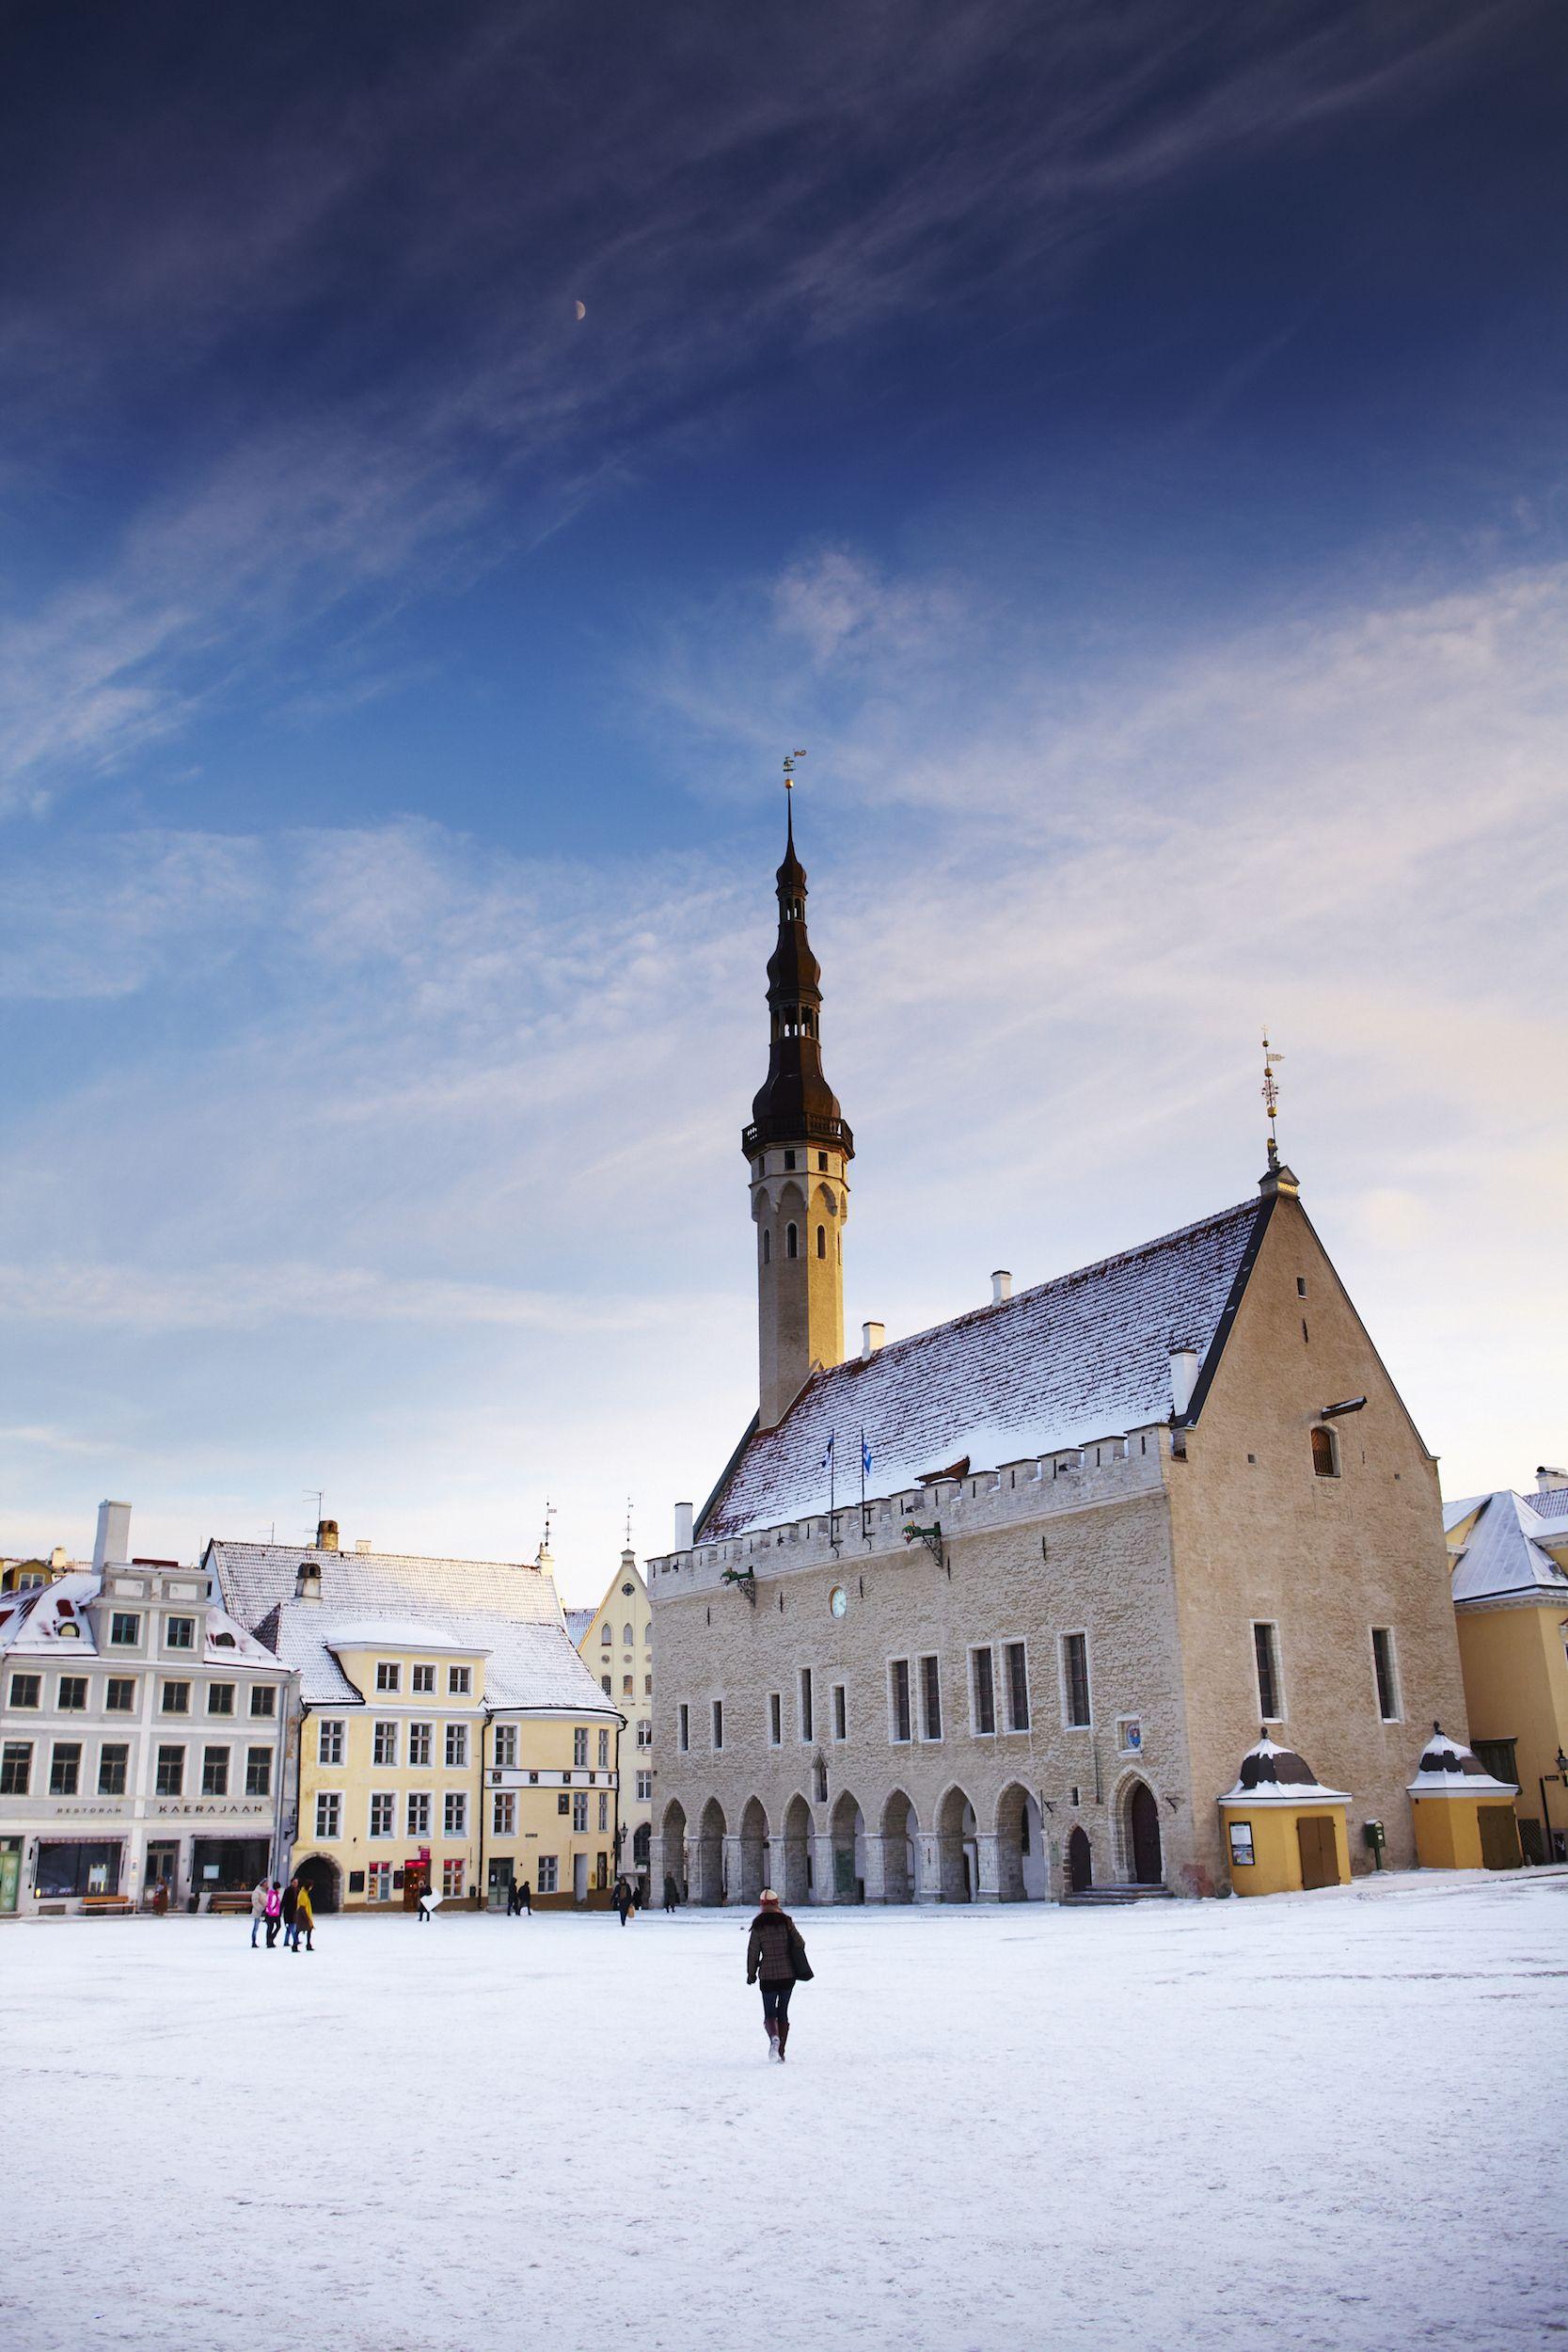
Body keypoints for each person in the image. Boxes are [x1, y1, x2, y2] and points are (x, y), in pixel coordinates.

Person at [746, 1887, 812, 2062]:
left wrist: (751, 1974)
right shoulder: (786, 1922)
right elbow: (800, 1943)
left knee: (769, 2013)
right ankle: (781, 2051)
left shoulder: (758, 1925)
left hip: (767, 1976)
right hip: (787, 1974)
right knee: (783, 2012)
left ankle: (774, 2038)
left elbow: (753, 1952)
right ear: (777, 1903)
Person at [280, 1875, 300, 1950]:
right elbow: (284, 1901)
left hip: (295, 1911)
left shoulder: (298, 1890)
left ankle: (286, 1941)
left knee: (290, 1927)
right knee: (292, 1927)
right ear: (291, 1883)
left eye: (297, 1882)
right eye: (294, 1882)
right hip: (289, 1911)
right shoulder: (288, 1890)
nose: (296, 1884)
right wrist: (281, 1909)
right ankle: (296, 1940)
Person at [293, 1882, 315, 1952]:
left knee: (308, 1929)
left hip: (304, 1914)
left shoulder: (305, 1893)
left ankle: (308, 1944)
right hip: (302, 1915)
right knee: (299, 1931)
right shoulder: (302, 1894)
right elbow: (302, 1906)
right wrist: (307, 1917)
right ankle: (295, 1946)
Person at [249, 1877, 270, 1948]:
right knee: (256, 1927)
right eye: (266, 1883)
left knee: (269, 1926)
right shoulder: (257, 1891)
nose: (267, 1884)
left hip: (266, 1912)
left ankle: (269, 1940)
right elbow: (255, 1902)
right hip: (258, 1913)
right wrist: (261, 1909)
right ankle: (253, 1941)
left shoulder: (266, 1891)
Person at [263, 1882, 282, 1947]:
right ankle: (269, 1941)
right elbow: (269, 1905)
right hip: (271, 1914)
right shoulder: (272, 1894)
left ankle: (271, 1939)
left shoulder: (277, 1894)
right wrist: (270, 1912)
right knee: (270, 1928)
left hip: (276, 1913)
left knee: (278, 1926)